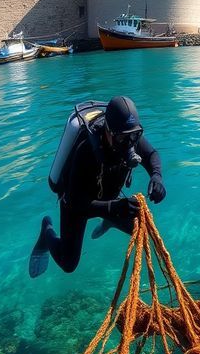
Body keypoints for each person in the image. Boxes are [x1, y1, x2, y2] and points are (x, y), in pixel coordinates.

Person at [29, 96, 166, 277]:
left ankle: (110, 220)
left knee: (141, 229)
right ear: (108, 131)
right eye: (121, 138)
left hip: (109, 200)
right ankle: (46, 231)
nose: (128, 143)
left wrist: (156, 177)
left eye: (135, 135)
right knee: (68, 263)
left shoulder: (128, 135)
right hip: (76, 203)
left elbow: (151, 155)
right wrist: (112, 208)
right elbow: (76, 203)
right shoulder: (86, 151)